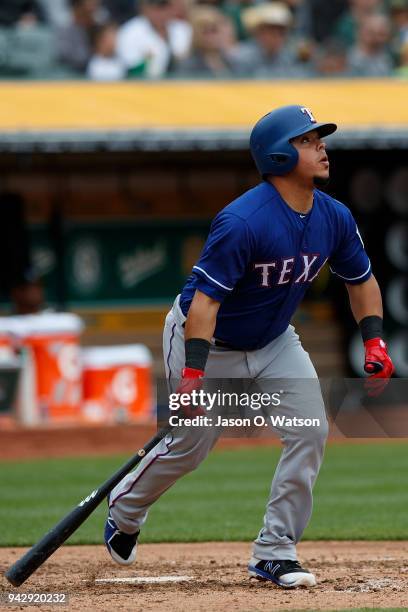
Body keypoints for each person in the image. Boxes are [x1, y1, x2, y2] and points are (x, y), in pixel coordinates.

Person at [103, 105, 394, 588]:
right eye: (307, 140)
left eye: (319, 138)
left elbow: (361, 281)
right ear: (279, 154)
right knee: (191, 447)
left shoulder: (334, 216)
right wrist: (193, 378)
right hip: (207, 341)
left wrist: (375, 339)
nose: (321, 146)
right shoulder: (242, 221)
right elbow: (204, 307)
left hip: (275, 339)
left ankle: (275, 551)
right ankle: (126, 508)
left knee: (310, 430)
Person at [232, 2, 313, 78]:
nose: (276, 36)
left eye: (281, 32)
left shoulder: (292, 55)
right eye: (271, 31)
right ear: (258, 32)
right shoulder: (241, 56)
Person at [116, 0, 191, 78]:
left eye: (165, 7)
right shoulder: (129, 32)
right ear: (145, 9)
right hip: (143, 86)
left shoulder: (182, 29)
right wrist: (146, 61)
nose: (162, 13)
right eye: (157, 8)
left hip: (181, 84)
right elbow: (130, 71)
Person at [175, 6, 239, 78]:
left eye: (214, 30)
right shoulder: (188, 65)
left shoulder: (232, 61)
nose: (211, 37)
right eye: (205, 32)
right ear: (196, 35)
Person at [56, 0, 104, 73]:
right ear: (78, 5)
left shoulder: (99, 25)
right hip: (72, 76)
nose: (95, 3)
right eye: (90, 2)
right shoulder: (65, 29)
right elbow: (70, 58)